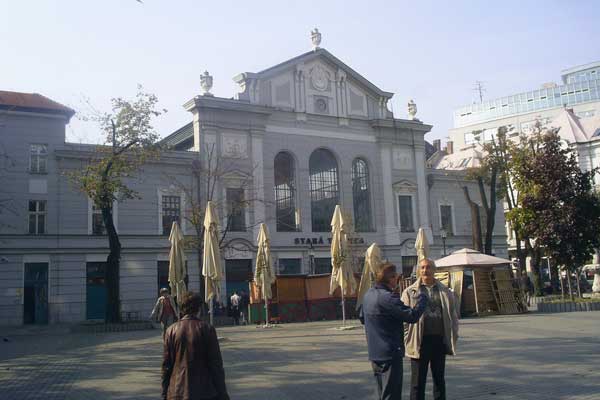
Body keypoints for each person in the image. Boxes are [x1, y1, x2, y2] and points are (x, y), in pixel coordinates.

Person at [360, 262, 428, 400]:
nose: (397, 279)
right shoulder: (388, 298)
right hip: (390, 353)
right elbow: (411, 316)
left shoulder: (368, 294)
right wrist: (423, 300)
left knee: (383, 393)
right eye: (396, 276)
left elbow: (361, 317)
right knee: (392, 394)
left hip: (375, 352)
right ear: (390, 278)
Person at [402, 258, 459, 400]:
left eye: (428, 267)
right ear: (418, 271)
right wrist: (407, 339)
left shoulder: (445, 291)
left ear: (434, 270)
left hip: (439, 341)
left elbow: (453, 315)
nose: (425, 270)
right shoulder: (410, 292)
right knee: (417, 383)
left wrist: (453, 336)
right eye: (422, 268)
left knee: (439, 380)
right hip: (419, 342)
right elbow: (403, 319)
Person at [162, 292, 230, 400]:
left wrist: (165, 393)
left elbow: (166, 366)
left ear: (182, 309)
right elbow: (216, 365)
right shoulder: (207, 329)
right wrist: (223, 393)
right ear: (199, 308)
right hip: (203, 391)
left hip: (176, 391)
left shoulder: (171, 331)